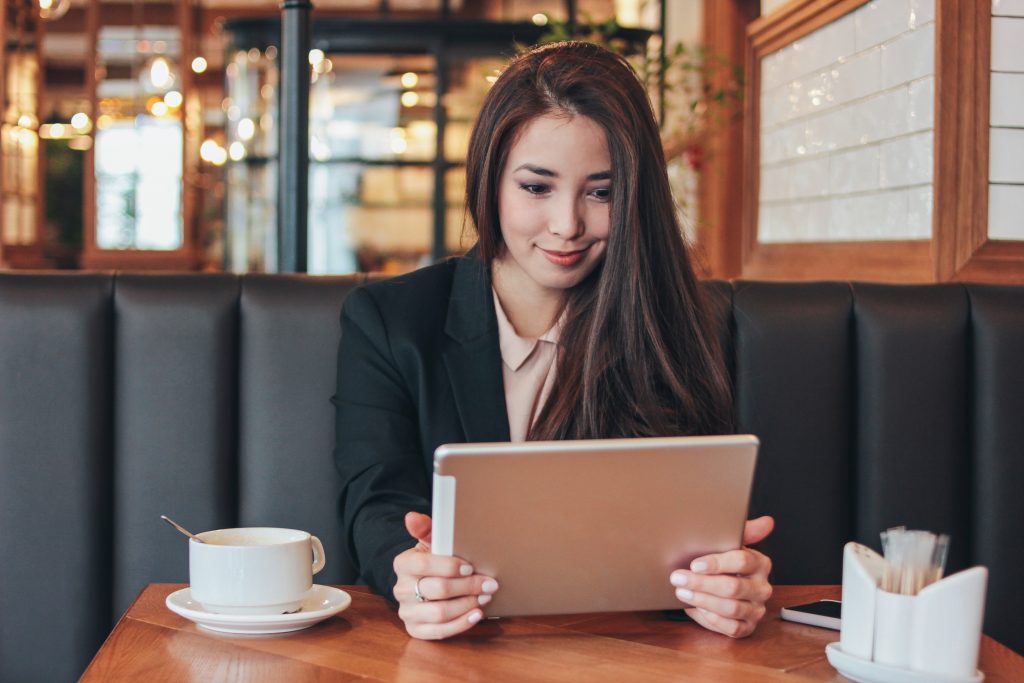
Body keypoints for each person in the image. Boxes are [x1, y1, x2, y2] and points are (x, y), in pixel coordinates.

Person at [333, 40, 773, 641]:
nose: (568, 224)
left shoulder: (677, 322)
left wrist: (725, 587)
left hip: (626, 653)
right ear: (490, 179)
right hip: (458, 650)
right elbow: (375, 500)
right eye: (537, 187)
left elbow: (699, 532)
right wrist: (408, 575)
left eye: (602, 192)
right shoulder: (389, 318)